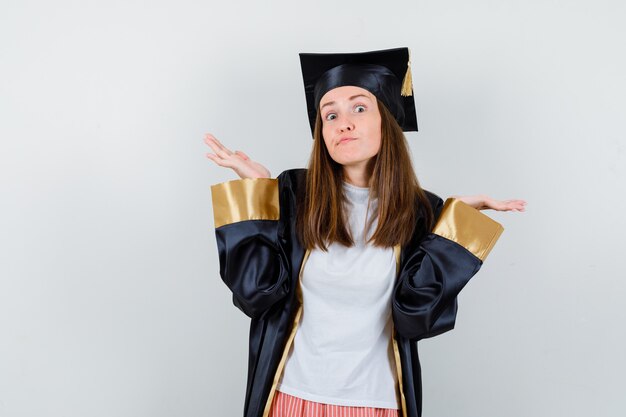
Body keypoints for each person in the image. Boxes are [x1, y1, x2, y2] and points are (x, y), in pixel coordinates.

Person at [205, 48, 526, 417]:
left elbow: (416, 317)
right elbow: (256, 295)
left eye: (359, 108)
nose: (344, 123)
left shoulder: (422, 213)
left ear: (386, 120)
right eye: (330, 114)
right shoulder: (292, 195)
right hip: (289, 398)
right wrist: (258, 192)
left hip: (375, 404)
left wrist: (453, 230)